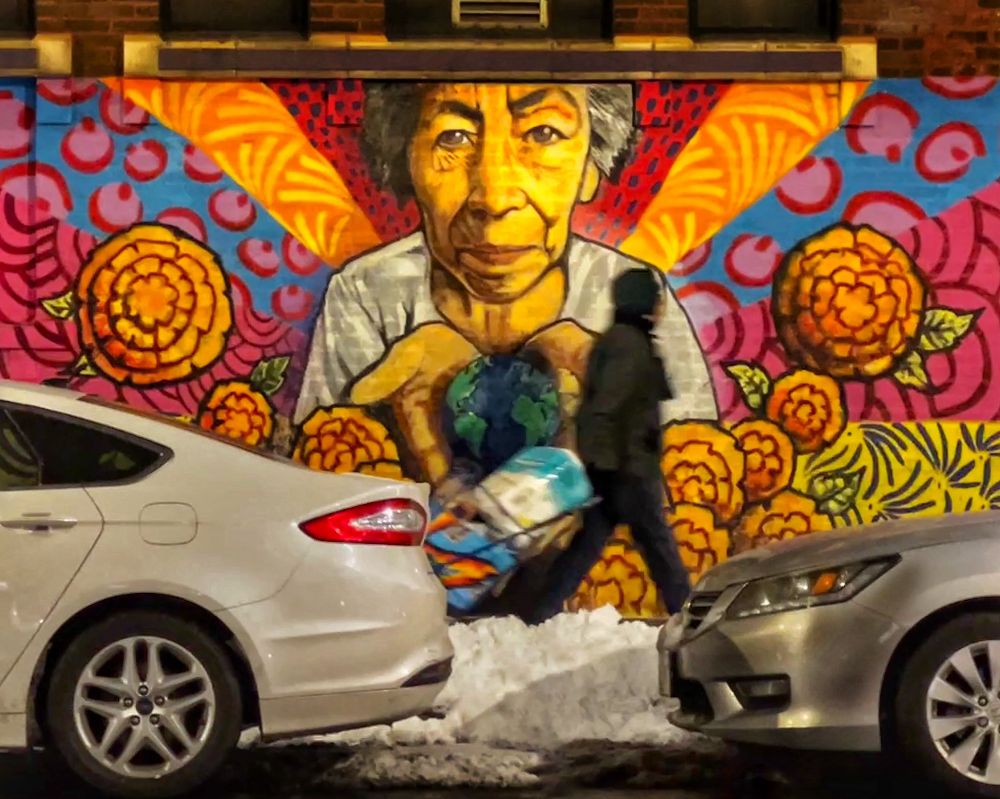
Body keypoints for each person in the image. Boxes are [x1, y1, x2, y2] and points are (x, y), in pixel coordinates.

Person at [294, 82, 718, 488]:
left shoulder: (630, 292)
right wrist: (386, 413)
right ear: (406, 164)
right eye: (453, 138)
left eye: (543, 133)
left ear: (592, 167)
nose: (495, 198)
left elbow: (691, 475)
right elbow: (322, 474)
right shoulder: (368, 293)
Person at [529, 267, 692, 622]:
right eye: (656, 297)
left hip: (618, 469)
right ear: (644, 301)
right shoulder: (628, 344)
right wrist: (605, 467)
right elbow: (604, 409)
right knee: (660, 550)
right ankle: (692, 619)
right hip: (627, 471)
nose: (662, 305)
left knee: (585, 548)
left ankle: (539, 614)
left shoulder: (625, 339)